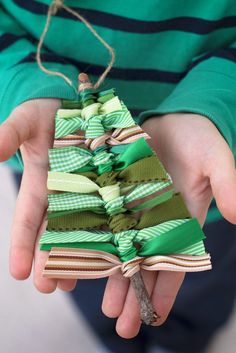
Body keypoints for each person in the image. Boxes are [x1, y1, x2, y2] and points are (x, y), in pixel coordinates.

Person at [0, 1, 236, 352]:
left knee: (201, 289)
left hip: (202, 188)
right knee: (95, 292)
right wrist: (20, 83)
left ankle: (184, 339)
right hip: (57, 169)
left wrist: (219, 99)